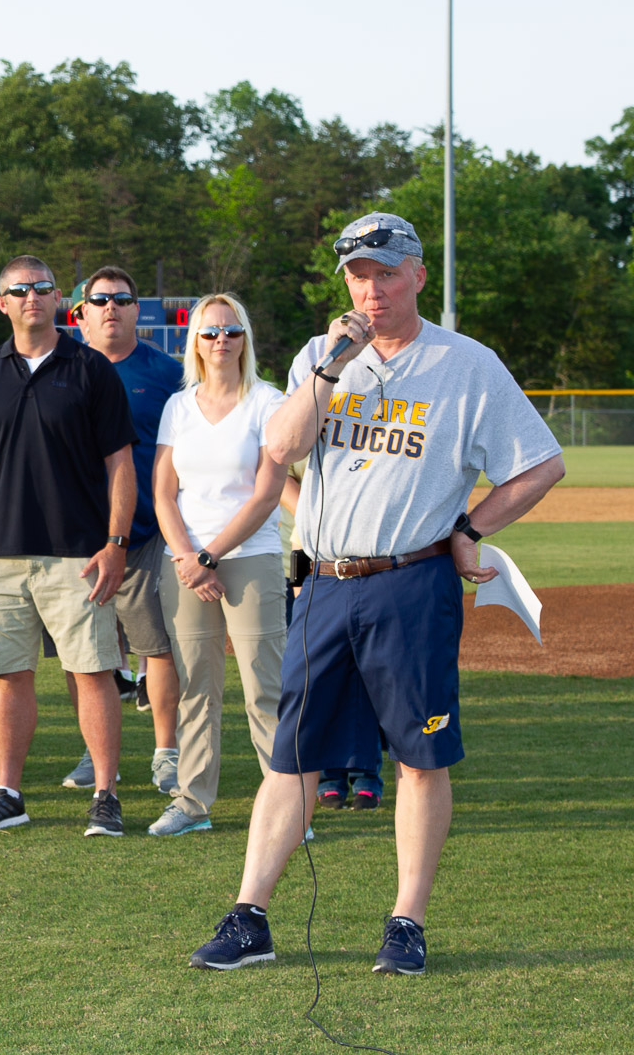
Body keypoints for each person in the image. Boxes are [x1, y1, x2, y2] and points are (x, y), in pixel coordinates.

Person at [187, 212, 565, 975]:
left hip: (413, 580)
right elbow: (283, 450)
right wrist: (331, 366)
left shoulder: (468, 365)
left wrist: (471, 526)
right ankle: (250, 917)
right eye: (359, 275)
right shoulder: (320, 357)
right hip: (325, 581)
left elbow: (540, 464)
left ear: (419, 275)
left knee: (421, 757)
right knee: (291, 758)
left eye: (386, 273)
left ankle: (406, 925)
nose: (372, 289)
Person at [0, 256, 136, 837]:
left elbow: (120, 463)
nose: (32, 297)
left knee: (95, 672)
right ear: (2, 303)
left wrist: (116, 542)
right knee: (11, 675)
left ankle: (105, 794)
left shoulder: (92, 369)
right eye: (20, 290)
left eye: (43, 288)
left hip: (79, 552)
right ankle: (8, 794)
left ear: (58, 300)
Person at [148, 294, 287, 837]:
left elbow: (266, 494)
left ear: (244, 338)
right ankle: (192, 803)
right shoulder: (178, 406)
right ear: (195, 341)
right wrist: (188, 558)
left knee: (265, 688)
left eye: (231, 331)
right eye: (210, 333)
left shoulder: (268, 402)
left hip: (248, 559)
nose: (221, 341)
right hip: (183, 564)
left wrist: (210, 556)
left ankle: (286, 810)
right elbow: (163, 492)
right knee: (196, 688)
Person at [59, 267, 187, 797]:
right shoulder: (60, 368)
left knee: (154, 646)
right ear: (81, 312)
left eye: (122, 299)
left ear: (138, 310)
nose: (111, 307)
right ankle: (95, 753)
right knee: (83, 654)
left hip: (144, 535)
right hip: (75, 540)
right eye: (100, 300)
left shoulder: (168, 372)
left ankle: (165, 751)